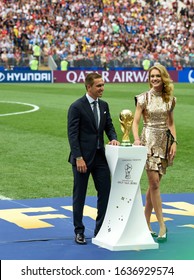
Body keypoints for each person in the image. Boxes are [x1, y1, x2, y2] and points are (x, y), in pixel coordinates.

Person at [67, 72, 120, 245]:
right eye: (98, 86)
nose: (102, 88)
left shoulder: (104, 105)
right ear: (88, 87)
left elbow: (109, 126)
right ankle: (79, 231)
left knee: (105, 193)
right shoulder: (76, 107)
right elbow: (72, 135)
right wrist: (78, 157)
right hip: (82, 158)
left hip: (100, 158)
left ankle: (101, 230)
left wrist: (113, 137)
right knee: (79, 195)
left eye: (103, 85)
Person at [132, 64, 177, 243]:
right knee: (155, 184)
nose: (155, 79)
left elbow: (171, 123)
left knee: (153, 186)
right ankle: (162, 225)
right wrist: (136, 139)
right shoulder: (143, 98)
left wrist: (174, 142)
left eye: (158, 76)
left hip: (164, 143)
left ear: (163, 77)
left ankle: (144, 222)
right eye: (152, 76)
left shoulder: (170, 100)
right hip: (148, 142)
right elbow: (135, 122)